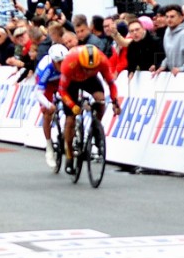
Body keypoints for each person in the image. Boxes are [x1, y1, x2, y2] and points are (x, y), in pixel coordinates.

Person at [57, 44, 121, 175]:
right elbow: (62, 90)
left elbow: (111, 84)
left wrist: (115, 102)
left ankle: (96, 127)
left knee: (101, 99)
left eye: (91, 68)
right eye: (85, 68)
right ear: (80, 62)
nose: (87, 71)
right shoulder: (69, 63)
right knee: (70, 120)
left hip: (91, 81)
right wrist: (72, 106)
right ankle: (69, 153)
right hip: (72, 82)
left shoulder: (102, 61)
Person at [34, 43, 68, 168]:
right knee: (47, 112)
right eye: (59, 62)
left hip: (60, 81)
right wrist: (48, 104)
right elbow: (38, 94)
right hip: (47, 85)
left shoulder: (68, 64)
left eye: (64, 61)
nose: (62, 65)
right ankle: (49, 147)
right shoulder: (46, 68)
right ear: (53, 61)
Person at [152, 4, 184, 76]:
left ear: (181, 18)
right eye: (167, 17)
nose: (169, 19)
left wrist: (181, 69)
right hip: (174, 77)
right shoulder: (167, 32)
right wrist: (163, 66)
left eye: (172, 17)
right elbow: (170, 55)